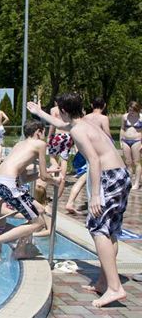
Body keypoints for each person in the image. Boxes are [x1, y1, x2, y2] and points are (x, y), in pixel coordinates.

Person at [29, 94, 130, 308]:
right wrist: (39, 113)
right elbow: (61, 124)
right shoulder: (84, 122)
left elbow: (94, 159)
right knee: (110, 230)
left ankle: (115, 288)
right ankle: (104, 282)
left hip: (109, 178)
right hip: (120, 175)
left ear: (64, 110)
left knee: (98, 229)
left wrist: (95, 195)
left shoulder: (77, 130)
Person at [0, 120, 59, 262]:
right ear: (38, 132)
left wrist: (47, 172)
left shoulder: (19, 144)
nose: (45, 135)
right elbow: (44, 177)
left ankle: (20, 250)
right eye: (44, 132)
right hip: (9, 185)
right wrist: (55, 181)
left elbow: (23, 179)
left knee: (39, 211)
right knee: (38, 223)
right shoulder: (40, 144)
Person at [65, 97, 112, 214]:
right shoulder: (104, 118)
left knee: (84, 178)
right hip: (95, 152)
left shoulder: (85, 118)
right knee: (85, 178)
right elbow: (107, 134)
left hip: (84, 151)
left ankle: (71, 201)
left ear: (91, 105)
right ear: (104, 105)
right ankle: (71, 202)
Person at [46, 100, 74, 200]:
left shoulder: (54, 109)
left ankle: (56, 168)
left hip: (58, 135)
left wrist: (49, 136)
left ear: (55, 102)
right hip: (68, 135)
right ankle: (62, 176)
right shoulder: (69, 109)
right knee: (64, 158)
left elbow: (52, 124)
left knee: (52, 156)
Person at [119, 101, 141, 190]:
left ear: (137, 110)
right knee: (128, 162)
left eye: (133, 111)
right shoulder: (125, 116)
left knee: (136, 162)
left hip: (137, 141)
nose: (131, 112)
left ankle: (137, 183)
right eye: (130, 110)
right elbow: (122, 129)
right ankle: (129, 182)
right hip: (125, 140)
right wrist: (120, 140)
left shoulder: (141, 117)